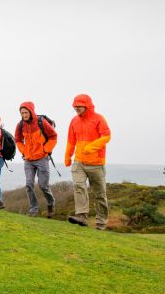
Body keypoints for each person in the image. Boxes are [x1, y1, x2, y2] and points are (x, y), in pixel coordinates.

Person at [64, 94, 111, 230]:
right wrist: (68, 155)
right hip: (79, 162)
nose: (76, 108)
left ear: (87, 105)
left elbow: (106, 136)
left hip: (96, 163)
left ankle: (101, 223)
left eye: (79, 106)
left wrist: (91, 147)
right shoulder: (74, 121)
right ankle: (82, 216)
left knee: (100, 194)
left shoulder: (98, 119)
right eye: (75, 106)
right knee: (79, 186)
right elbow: (71, 140)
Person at [14, 102, 57, 218]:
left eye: (26, 112)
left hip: (42, 158)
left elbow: (53, 137)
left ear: (31, 111)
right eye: (22, 113)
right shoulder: (20, 125)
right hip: (28, 160)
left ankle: (51, 204)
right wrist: (23, 151)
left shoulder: (41, 122)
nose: (24, 115)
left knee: (43, 186)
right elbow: (17, 140)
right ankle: (33, 209)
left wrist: (45, 150)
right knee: (29, 185)